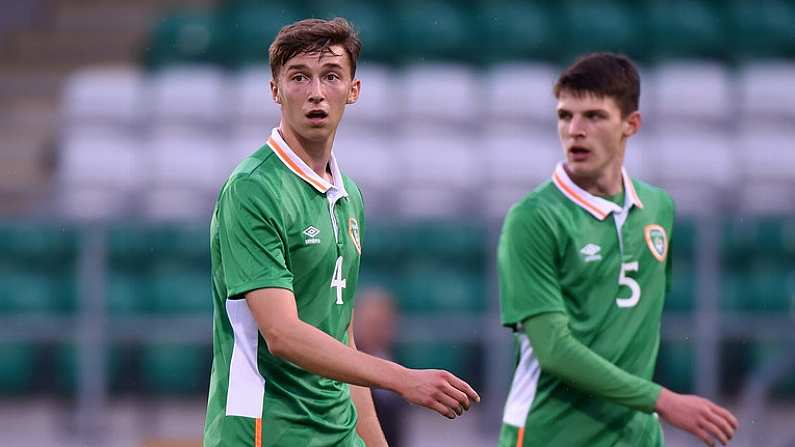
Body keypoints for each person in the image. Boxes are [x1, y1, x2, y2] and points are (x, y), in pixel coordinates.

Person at [203, 18, 479, 447]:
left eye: (331, 76)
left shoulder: (348, 194)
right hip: (265, 429)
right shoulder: (252, 189)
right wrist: (401, 378)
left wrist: (374, 440)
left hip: (337, 429)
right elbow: (282, 334)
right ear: (275, 90)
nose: (316, 92)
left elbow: (341, 331)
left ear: (353, 90)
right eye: (299, 77)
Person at [496, 53, 738, 447]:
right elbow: (553, 349)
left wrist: (648, 412)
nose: (575, 130)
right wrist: (662, 400)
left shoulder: (659, 209)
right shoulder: (533, 218)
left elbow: (640, 327)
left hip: (636, 435)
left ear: (631, 124)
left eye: (593, 116)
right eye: (564, 116)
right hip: (551, 433)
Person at [354, 287, 408, 447]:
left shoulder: (396, 363)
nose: (378, 331)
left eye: (383, 323)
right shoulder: (346, 369)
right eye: (372, 323)